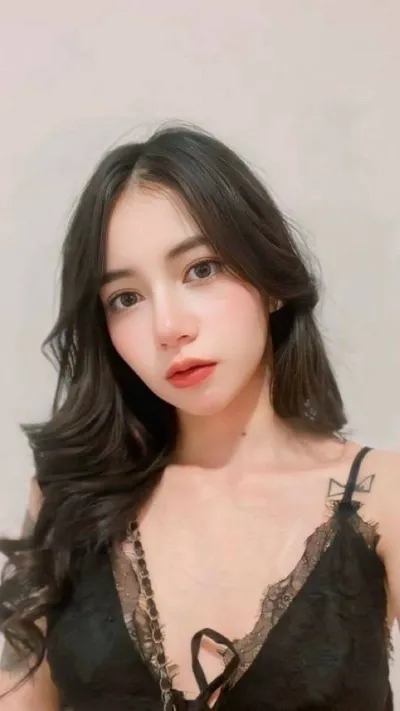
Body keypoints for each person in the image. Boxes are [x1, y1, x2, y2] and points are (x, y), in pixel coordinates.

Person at [0, 123, 399, 711]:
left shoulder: (382, 496)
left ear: (270, 280)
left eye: (201, 269)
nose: (168, 327)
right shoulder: (68, 500)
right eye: (126, 298)